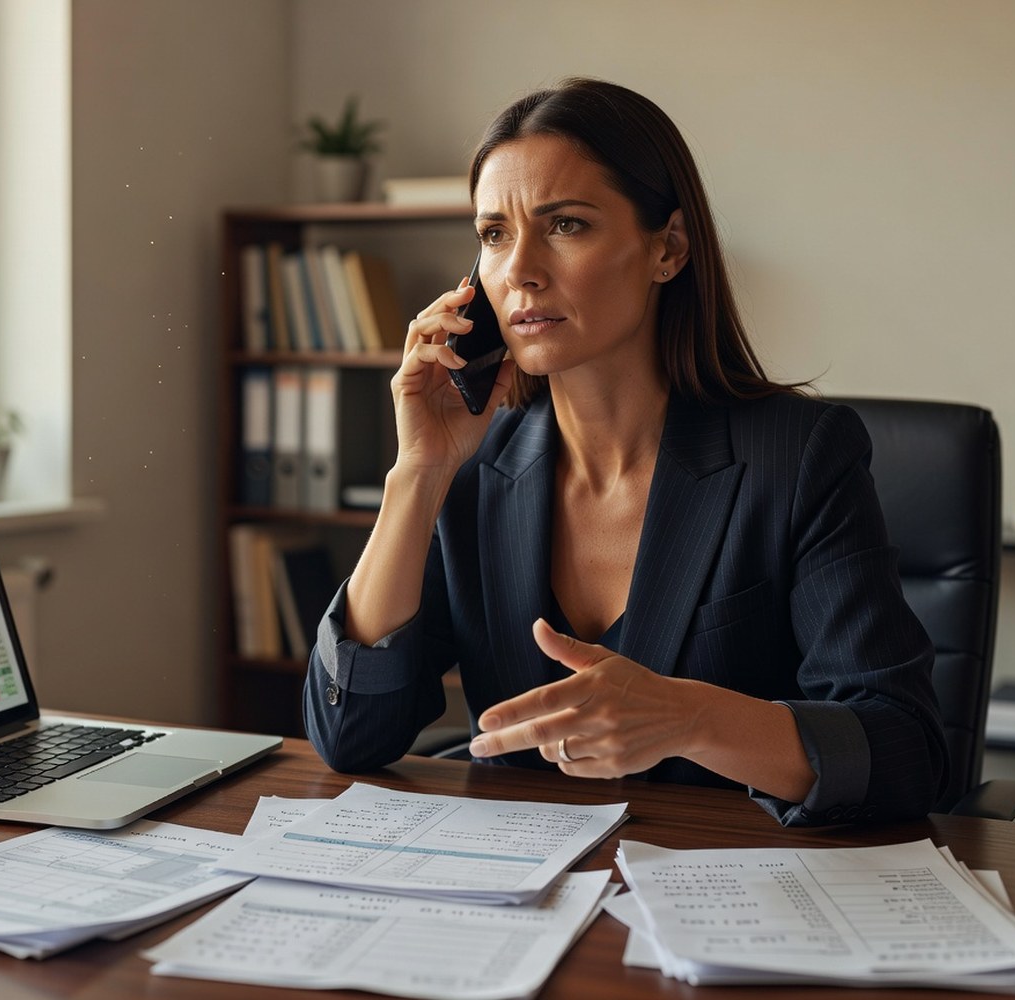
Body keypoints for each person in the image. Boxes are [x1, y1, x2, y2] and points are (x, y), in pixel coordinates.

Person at [302, 77, 947, 826]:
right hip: (524, 894)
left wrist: (690, 718)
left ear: (667, 248)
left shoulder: (799, 457)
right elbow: (350, 736)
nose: (519, 271)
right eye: (494, 235)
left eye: (566, 225)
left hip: (721, 889)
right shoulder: (476, 467)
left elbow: (906, 752)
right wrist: (418, 472)